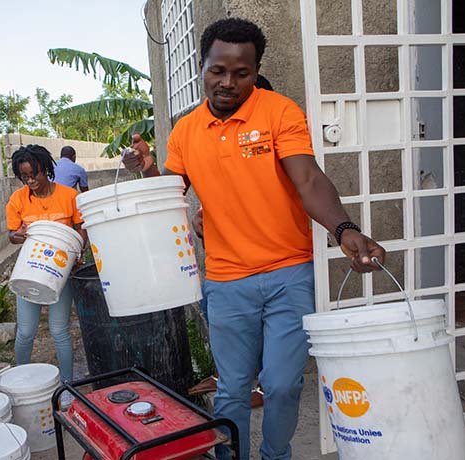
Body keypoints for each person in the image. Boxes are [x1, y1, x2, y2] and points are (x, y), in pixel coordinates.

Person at [124, 18, 386, 460]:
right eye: (218, 71)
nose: (228, 82)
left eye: (241, 73)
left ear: (255, 69)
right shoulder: (186, 131)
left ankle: (275, 455)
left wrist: (344, 229)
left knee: (283, 385)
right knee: (232, 389)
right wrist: (148, 170)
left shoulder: (279, 112)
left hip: (289, 274)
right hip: (226, 282)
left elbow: (308, 179)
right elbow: (171, 193)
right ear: (203, 68)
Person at [6, 144, 88, 393]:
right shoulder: (18, 200)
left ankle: (67, 386)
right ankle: (21, 383)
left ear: (46, 169)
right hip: (30, 271)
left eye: (35, 174)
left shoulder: (69, 196)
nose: (30, 181)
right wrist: (16, 236)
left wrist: (79, 248)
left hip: (59, 273)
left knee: (59, 330)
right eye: (24, 176)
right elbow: (12, 234)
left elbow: (81, 226)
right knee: (26, 331)